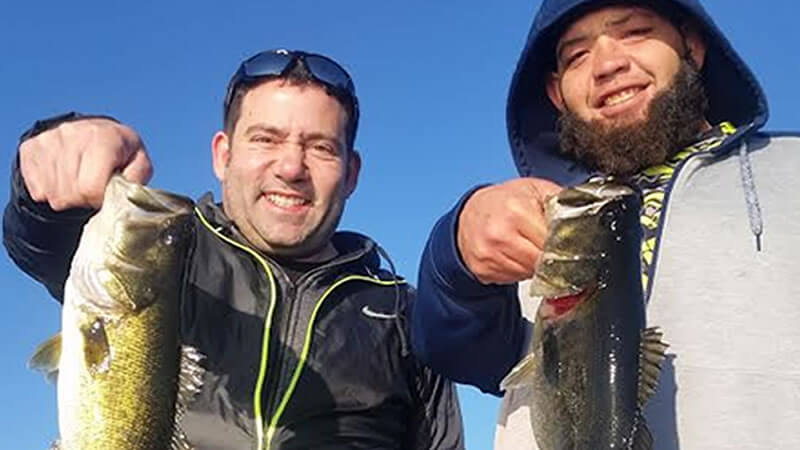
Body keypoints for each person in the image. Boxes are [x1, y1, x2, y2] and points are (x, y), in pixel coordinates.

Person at [4, 49, 464, 450]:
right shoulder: (165, 252)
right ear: (222, 155)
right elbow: (42, 240)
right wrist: (55, 165)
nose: (290, 167)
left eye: (320, 147)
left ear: (351, 173)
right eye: (266, 138)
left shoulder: (406, 318)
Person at [410, 0, 800, 448]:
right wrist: (456, 254)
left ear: (691, 45)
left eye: (634, 32)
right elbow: (447, 347)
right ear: (557, 92)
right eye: (577, 55)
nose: (608, 64)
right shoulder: (544, 221)